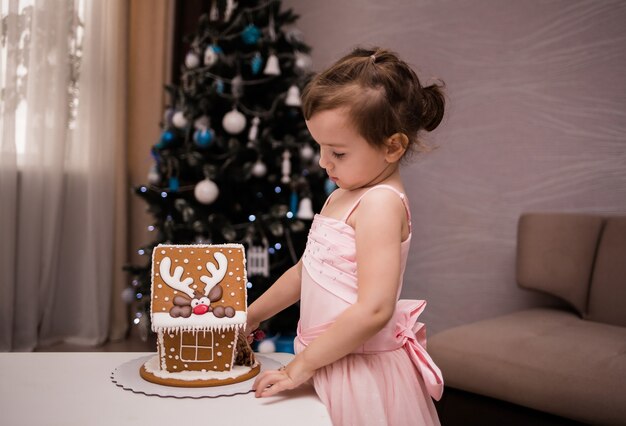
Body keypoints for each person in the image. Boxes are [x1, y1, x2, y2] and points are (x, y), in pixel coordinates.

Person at [246, 47, 445, 426]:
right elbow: (309, 271)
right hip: (324, 360)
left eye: (337, 152)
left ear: (393, 147)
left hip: (357, 372)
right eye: (320, 147)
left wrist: (299, 366)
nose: (323, 162)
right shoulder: (343, 194)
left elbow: (374, 309)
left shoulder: (380, 204)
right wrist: (254, 315)